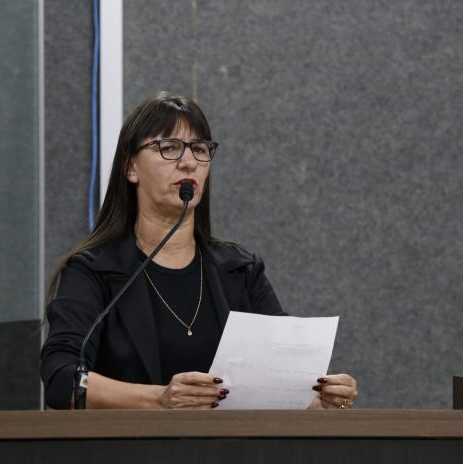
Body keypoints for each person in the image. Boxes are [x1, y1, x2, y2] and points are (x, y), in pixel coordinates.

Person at [41, 91, 358, 410]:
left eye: (199, 149)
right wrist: (159, 399)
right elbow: (62, 379)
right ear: (131, 167)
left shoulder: (240, 271)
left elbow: (283, 381)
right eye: (169, 147)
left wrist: (321, 397)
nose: (189, 162)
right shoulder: (93, 271)